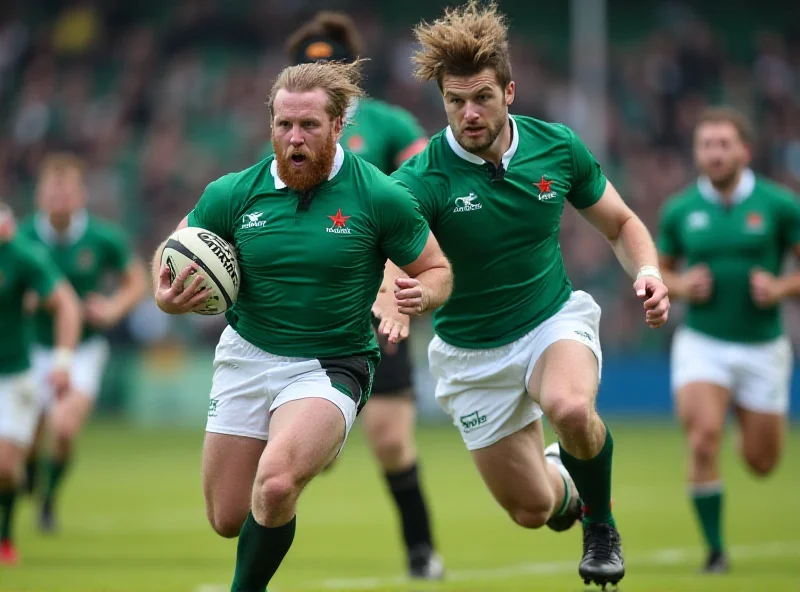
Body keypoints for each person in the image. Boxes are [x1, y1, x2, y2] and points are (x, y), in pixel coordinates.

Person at [378, 2, 670, 588]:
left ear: (509, 91)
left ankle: (602, 524)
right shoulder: (419, 180)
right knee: (532, 510)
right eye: (454, 101)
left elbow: (620, 224)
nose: (468, 113)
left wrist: (650, 272)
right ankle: (568, 488)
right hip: (470, 356)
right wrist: (390, 297)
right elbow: (391, 254)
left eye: (481, 97)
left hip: (550, 320)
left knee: (568, 407)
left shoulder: (556, 147)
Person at [151, 59, 452, 592]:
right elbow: (175, 251)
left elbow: (437, 268)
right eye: (283, 124)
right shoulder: (232, 193)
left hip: (332, 364)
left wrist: (420, 293)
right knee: (226, 517)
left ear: (339, 127)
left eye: (309, 125)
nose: (294, 137)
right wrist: (166, 295)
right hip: (247, 354)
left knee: (275, 484)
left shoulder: (379, 195)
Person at [269, 11, 442, 579]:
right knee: (293, 460)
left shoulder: (391, 125)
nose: (321, 72)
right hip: (300, 314)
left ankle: (421, 550)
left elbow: (424, 184)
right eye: (310, 65)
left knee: (392, 443)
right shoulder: (292, 131)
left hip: (375, 306)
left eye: (331, 64)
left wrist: (399, 275)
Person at [657, 106, 799, 574]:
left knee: (762, 463)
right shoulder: (679, 210)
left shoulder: (780, 205)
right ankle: (715, 551)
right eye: (706, 145)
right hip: (703, 342)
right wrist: (681, 287)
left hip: (763, 346)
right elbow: (658, 272)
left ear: (744, 150)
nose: (714, 154)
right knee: (702, 440)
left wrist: (779, 288)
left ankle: (741, 413)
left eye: (723, 144)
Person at [18, 153, 148, 532]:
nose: (59, 200)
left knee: (62, 428)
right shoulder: (22, 237)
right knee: (26, 438)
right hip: (30, 348)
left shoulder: (101, 237)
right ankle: (28, 470)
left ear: (81, 195)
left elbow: (137, 280)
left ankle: (48, 500)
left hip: (82, 351)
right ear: (40, 195)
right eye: (52, 192)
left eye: (67, 192)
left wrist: (113, 307)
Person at [0, 201, 81, 565]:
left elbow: (66, 303)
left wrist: (63, 361)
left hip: (13, 373)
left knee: (4, 469)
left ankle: (5, 535)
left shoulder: (19, 255)